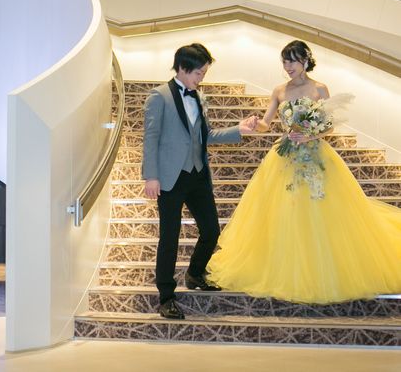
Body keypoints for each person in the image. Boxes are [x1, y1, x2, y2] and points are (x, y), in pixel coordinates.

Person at [207, 40, 401, 304]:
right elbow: (266, 124)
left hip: (315, 157)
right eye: (284, 61)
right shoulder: (279, 91)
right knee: (286, 210)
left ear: (305, 61)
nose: (288, 66)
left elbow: (329, 125)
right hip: (285, 159)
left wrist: (310, 135)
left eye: (292, 61)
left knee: (321, 210)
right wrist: (254, 124)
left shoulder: (320, 88)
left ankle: (322, 268)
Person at [142, 43, 258, 319]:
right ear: (183, 68)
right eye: (199, 73)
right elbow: (150, 138)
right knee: (169, 237)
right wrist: (151, 176)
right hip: (170, 178)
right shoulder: (159, 96)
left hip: (198, 175)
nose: (201, 78)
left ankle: (195, 273)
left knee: (211, 231)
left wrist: (239, 129)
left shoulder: (198, 97)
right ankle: (166, 297)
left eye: (204, 73)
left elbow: (207, 136)